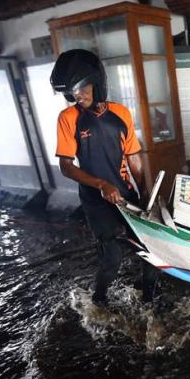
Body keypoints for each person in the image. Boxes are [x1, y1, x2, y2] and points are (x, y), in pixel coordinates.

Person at [51, 49, 159, 306]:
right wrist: (101, 184)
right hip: (96, 199)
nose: (78, 95)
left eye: (83, 88)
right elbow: (66, 166)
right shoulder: (68, 119)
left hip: (125, 193)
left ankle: (149, 300)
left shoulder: (121, 113)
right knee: (112, 258)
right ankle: (99, 301)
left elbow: (133, 156)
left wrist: (145, 191)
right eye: (73, 92)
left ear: (97, 83)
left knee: (151, 250)